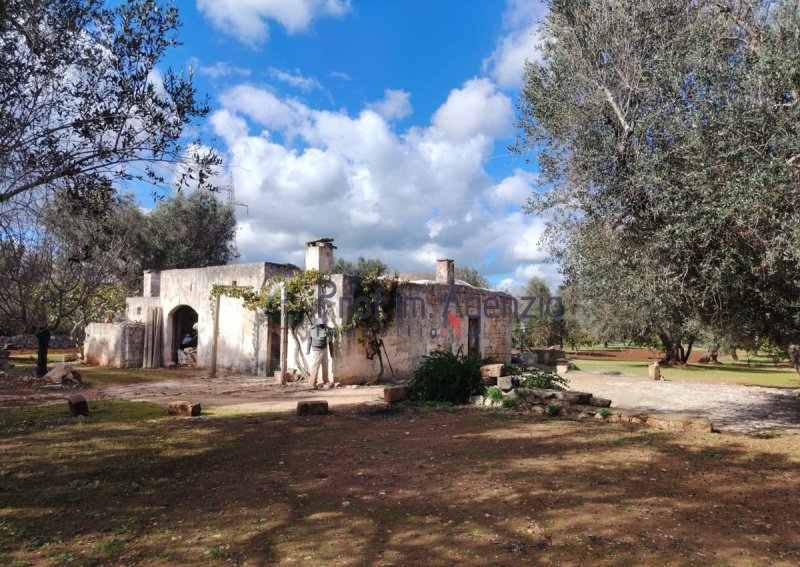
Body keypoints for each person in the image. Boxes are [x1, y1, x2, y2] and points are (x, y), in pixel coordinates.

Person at [306, 316, 331, 389]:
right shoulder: (311, 330)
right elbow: (309, 341)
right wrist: (307, 351)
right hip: (316, 350)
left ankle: (326, 380)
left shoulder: (326, 329)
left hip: (324, 349)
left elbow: (329, 341)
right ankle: (313, 382)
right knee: (315, 366)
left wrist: (331, 352)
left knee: (325, 366)